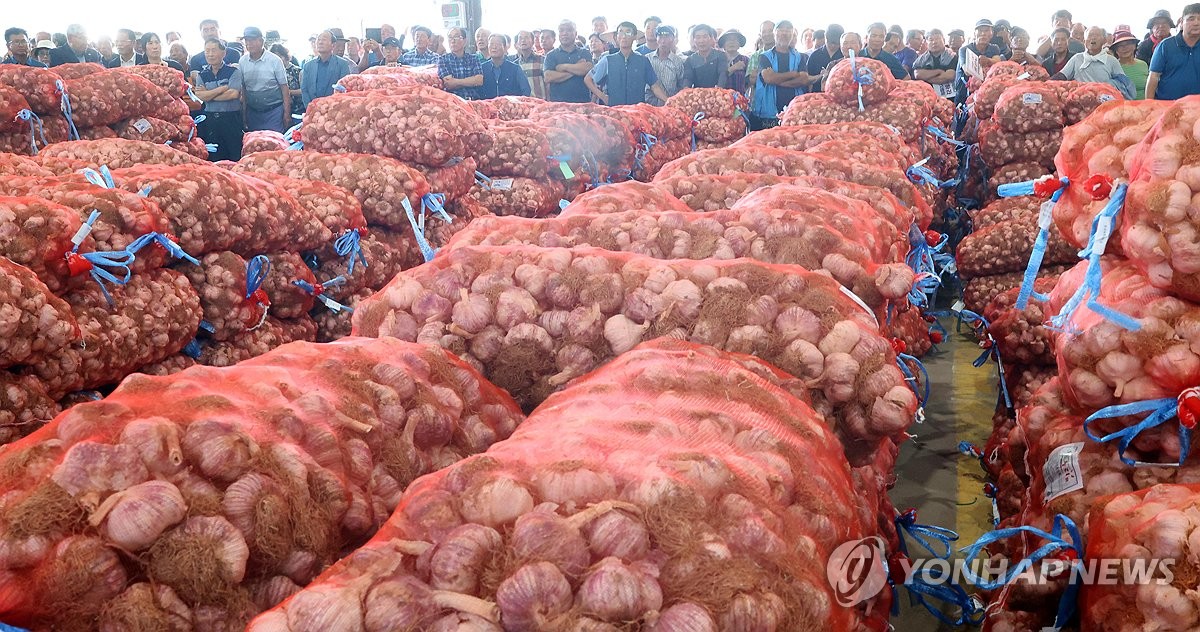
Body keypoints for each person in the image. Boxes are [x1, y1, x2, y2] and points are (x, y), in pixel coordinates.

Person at [585, 21, 668, 106]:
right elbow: (588, 79)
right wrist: (603, 97)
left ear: (634, 37)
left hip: (636, 112)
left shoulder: (643, 61)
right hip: (614, 111)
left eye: (628, 32)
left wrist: (668, 101)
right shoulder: (607, 60)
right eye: (621, 32)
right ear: (617, 37)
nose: (624, 36)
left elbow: (655, 87)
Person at [750, 21, 810, 130]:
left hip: (794, 112)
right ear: (775, 33)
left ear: (792, 34)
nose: (784, 34)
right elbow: (768, 78)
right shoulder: (765, 57)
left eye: (788, 31)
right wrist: (793, 74)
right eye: (781, 30)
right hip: (768, 115)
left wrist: (777, 80)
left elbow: (804, 80)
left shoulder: (800, 57)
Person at [190, 38, 242, 162]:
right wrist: (221, 89)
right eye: (207, 51)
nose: (210, 54)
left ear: (223, 53)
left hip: (231, 118)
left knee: (234, 155)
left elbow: (233, 94)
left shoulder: (234, 72)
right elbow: (200, 96)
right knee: (214, 156)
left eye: (214, 50)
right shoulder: (202, 75)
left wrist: (209, 95)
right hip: (210, 119)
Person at [1054, 27, 1135, 98]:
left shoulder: (1112, 61)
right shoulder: (1077, 58)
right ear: (1084, 41)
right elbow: (1062, 75)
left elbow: (1124, 84)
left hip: (1104, 103)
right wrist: (1045, 84)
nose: (1093, 38)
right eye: (1090, 35)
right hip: (1081, 102)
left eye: (1096, 35)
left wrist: (1104, 85)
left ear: (1104, 40)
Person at [238, 27, 290, 133]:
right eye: (246, 40)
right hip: (252, 112)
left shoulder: (275, 60)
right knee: (255, 144)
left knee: (275, 144)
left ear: (261, 41)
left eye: (252, 40)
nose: (249, 43)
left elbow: (284, 88)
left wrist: (286, 113)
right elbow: (243, 88)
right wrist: (244, 113)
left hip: (274, 111)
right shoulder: (242, 61)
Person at [1148, 3, 1200, 100]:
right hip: (1167, 107)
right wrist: (1149, 107)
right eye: (1191, 19)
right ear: (1181, 21)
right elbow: (1153, 78)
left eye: (1199, 19)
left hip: (1197, 109)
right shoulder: (1165, 46)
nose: (1196, 23)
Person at [544, 20, 593, 103]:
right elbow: (548, 77)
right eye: (561, 30)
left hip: (582, 104)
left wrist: (563, 67)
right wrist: (576, 68)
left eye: (569, 30)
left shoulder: (585, 52)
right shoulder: (551, 55)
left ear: (576, 33)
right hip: (558, 105)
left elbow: (588, 68)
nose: (565, 33)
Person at [301, 30, 352, 107]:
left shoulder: (342, 64)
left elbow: (345, 89)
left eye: (324, 39)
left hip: (334, 108)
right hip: (313, 109)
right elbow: (304, 90)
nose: (320, 42)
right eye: (318, 39)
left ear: (333, 45)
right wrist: (310, 107)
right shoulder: (308, 66)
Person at [438, 27, 484, 100]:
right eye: (450, 37)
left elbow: (479, 80)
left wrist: (456, 81)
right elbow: (449, 84)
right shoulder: (443, 59)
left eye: (456, 37)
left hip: (474, 100)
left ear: (464, 41)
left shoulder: (474, 59)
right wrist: (470, 81)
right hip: (454, 102)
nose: (452, 41)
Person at [914, 29, 958, 99]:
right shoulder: (922, 58)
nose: (934, 42)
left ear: (943, 40)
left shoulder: (951, 56)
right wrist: (939, 71)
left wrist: (926, 78)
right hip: (927, 95)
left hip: (950, 96)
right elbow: (918, 75)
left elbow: (949, 76)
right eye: (931, 40)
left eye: (937, 38)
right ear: (926, 42)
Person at [1112, 30, 1149, 99]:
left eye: (1128, 44)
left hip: (1144, 107)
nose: (1125, 48)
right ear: (1116, 50)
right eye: (1120, 45)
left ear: (1134, 46)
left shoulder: (1143, 64)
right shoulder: (1113, 66)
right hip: (1122, 107)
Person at [807, 24, 845, 92]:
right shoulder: (815, 55)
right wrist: (821, 76)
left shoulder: (844, 55)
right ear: (825, 37)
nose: (833, 46)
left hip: (839, 95)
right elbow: (807, 79)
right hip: (818, 96)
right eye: (830, 42)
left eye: (836, 43)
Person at [745, 20, 776, 101]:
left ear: (776, 32)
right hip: (760, 102)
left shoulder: (784, 52)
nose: (767, 34)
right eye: (764, 31)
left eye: (770, 31)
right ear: (760, 34)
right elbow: (751, 81)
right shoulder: (755, 56)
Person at [271, 43, 303, 119]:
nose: (277, 60)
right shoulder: (270, 73)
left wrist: (287, 92)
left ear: (285, 56)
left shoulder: (298, 71)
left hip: (296, 110)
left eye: (279, 56)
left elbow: (304, 91)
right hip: (277, 111)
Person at [511, 30, 546, 99]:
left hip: (540, 103)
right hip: (522, 105)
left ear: (533, 42)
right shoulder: (515, 64)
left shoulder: (542, 60)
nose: (523, 40)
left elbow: (548, 84)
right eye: (520, 38)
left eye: (526, 37)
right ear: (517, 43)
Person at [720, 29, 750, 95]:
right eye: (728, 40)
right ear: (723, 44)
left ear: (739, 43)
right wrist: (732, 68)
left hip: (740, 100)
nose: (732, 42)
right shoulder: (718, 59)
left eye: (735, 39)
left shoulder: (746, 60)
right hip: (721, 100)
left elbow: (749, 82)